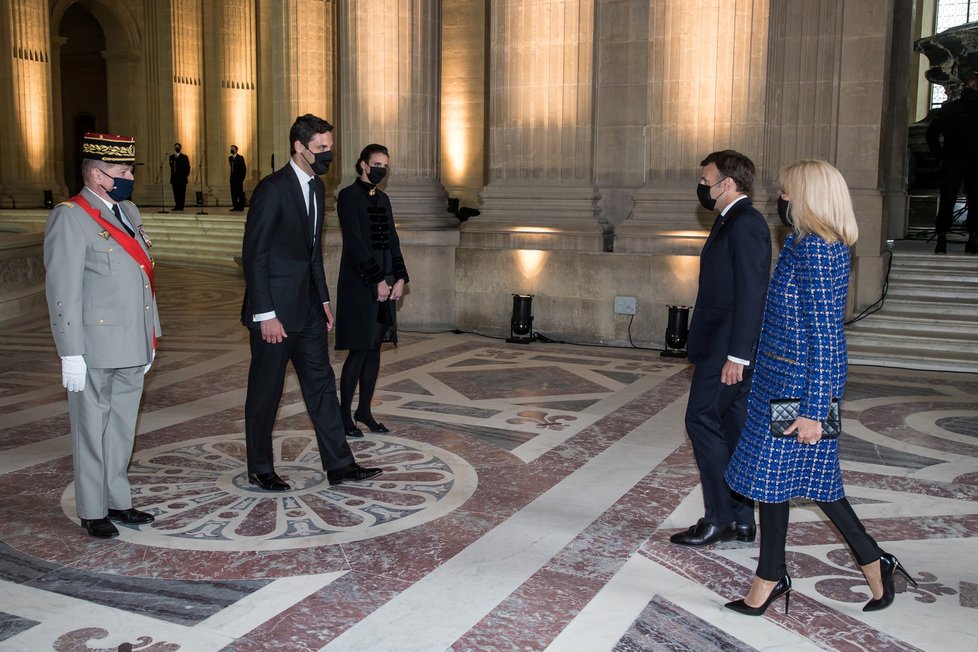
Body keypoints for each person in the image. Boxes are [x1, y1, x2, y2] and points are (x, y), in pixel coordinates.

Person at [724, 159, 917, 616]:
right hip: (779, 382)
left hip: (800, 390)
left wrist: (815, 409)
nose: (782, 199)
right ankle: (872, 562)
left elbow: (828, 338)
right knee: (805, 484)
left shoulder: (819, 250)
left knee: (782, 483)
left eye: (788, 191)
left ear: (807, 196)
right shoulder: (801, 242)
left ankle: (773, 577)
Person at [240, 114, 382, 490]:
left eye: (330, 148)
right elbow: (255, 255)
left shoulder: (318, 189)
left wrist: (323, 300)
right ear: (299, 147)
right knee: (266, 392)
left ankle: (339, 464)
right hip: (274, 314)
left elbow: (313, 254)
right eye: (321, 149)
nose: (327, 155)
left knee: (321, 385)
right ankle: (260, 467)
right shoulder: (272, 189)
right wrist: (265, 313)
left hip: (307, 310)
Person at [44, 132, 161, 539]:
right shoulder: (71, 216)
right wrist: (70, 352)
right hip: (94, 347)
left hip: (132, 342)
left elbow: (145, 278)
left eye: (129, 170)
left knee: (122, 427)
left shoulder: (128, 211)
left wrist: (151, 335)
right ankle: (93, 509)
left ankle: (118, 500)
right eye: (122, 170)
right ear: (96, 174)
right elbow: (63, 291)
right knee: (91, 430)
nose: (129, 177)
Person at [671, 150, 771, 547]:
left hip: (727, 351)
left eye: (706, 180)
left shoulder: (745, 223)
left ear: (728, 183)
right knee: (733, 429)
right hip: (723, 346)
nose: (702, 187)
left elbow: (751, 293)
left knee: (700, 421)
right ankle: (743, 519)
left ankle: (719, 517)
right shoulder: (731, 220)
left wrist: (738, 356)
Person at [335, 144, 409, 437]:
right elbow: (355, 243)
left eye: (385, 165)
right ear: (363, 164)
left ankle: (363, 409)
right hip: (359, 281)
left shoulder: (384, 199)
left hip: (386, 279)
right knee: (359, 348)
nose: (381, 169)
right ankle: (343, 415)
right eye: (377, 164)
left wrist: (400, 277)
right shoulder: (348, 196)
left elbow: (392, 239)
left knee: (375, 347)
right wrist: (377, 279)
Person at [925, 73, 978, 254]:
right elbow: (931, 134)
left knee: (950, 200)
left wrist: (941, 156)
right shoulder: (950, 109)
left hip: (955, 161)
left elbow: (931, 134)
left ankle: (944, 239)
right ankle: (968, 239)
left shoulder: (949, 109)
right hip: (960, 162)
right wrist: (941, 156)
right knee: (954, 200)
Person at [169, 142, 191, 211]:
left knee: (182, 193)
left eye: (178, 147)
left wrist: (185, 176)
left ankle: (181, 206)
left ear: (180, 148)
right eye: (176, 147)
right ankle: (177, 205)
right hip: (174, 179)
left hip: (182, 179)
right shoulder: (171, 157)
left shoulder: (184, 157)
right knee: (176, 193)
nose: (177, 148)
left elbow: (188, 168)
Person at [229, 144, 247, 211]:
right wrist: (233, 157)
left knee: (239, 192)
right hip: (232, 178)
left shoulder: (240, 157)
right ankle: (235, 206)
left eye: (233, 148)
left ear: (236, 150)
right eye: (231, 148)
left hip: (239, 178)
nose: (231, 150)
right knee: (233, 193)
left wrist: (242, 178)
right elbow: (232, 165)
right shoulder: (230, 158)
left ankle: (240, 207)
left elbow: (243, 168)